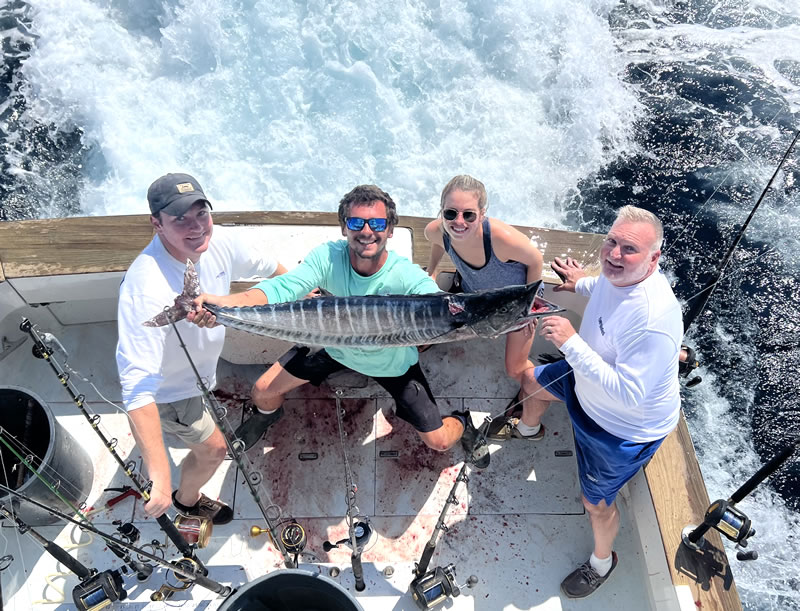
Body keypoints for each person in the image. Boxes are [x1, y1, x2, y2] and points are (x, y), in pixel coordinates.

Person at [190, 184, 489, 468]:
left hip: (392, 365)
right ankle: (268, 414)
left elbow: (435, 300)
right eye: (357, 224)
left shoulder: (404, 275)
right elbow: (284, 288)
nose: (367, 232)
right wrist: (224, 305)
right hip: (334, 347)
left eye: (377, 224)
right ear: (345, 227)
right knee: (262, 392)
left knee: (438, 441)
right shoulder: (328, 258)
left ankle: (462, 422)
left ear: (391, 230)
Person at [490, 205, 682, 598]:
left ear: (653, 258)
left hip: (619, 430)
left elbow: (629, 394)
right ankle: (528, 429)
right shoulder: (619, 276)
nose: (613, 254)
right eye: (611, 241)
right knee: (530, 379)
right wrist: (581, 283)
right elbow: (606, 289)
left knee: (594, 503)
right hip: (585, 384)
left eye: (628, 249)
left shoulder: (652, 320)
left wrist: (571, 344)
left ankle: (602, 563)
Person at [116, 173, 287, 524]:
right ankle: (186, 499)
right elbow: (137, 390)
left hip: (202, 372)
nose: (196, 227)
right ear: (157, 224)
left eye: (201, 213)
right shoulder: (144, 289)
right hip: (171, 391)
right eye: (180, 219)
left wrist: (306, 297)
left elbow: (271, 269)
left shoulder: (217, 241)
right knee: (214, 450)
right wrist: (160, 479)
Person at [424, 175, 543, 429]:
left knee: (515, 369)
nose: (458, 222)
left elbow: (535, 261)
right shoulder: (437, 229)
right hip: (475, 298)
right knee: (424, 330)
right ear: (442, 210)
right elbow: (437, 242)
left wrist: (528, 309)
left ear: (482, 213)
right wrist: (432, 272)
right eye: (451, 213)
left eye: (468, 215)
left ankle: (537, 400)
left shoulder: (500, 238)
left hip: (515, 306)